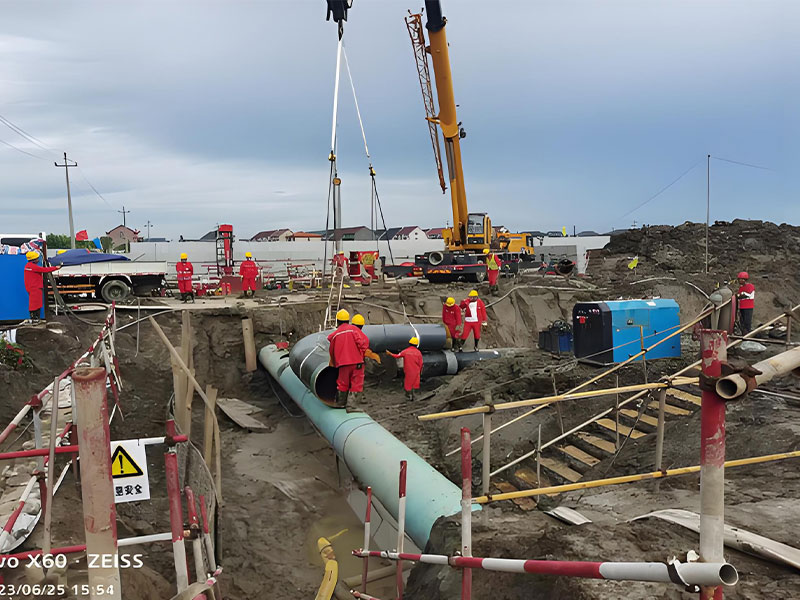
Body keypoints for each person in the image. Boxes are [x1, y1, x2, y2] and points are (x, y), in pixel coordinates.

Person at [327, 309, 369, 411]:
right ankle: (352, 406)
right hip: (356, 362)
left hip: (342, 364)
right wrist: (362, 354)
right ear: (348, 320)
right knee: (356, 383)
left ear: (337, 321)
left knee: (342, 383)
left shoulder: (335, 335)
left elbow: (331, 350)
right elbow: (364, 342)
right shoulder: (353, 330)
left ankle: (340, 403)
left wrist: (333, 363)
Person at [23, 251, 60, 323]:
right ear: (33, 260)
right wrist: (55, 268)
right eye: (37, 259)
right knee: (35, 303)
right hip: (35, 288)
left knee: (35, 303)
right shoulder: (32, 267)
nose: (38, 260)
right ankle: (35, 318)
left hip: (32, 287)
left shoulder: (28, 266)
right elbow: (44, 270)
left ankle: (35, 318)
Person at [388, 337, 423, 401]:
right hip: (416, 370)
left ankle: (408, 394)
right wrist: (420, 371)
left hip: (408, 370)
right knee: (415, 383)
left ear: (409, 343)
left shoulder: (405, 351)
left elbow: (397, 356)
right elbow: (421, 363)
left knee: (408, 383)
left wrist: (390, 353)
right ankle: (413, 396)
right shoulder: (418, 353)